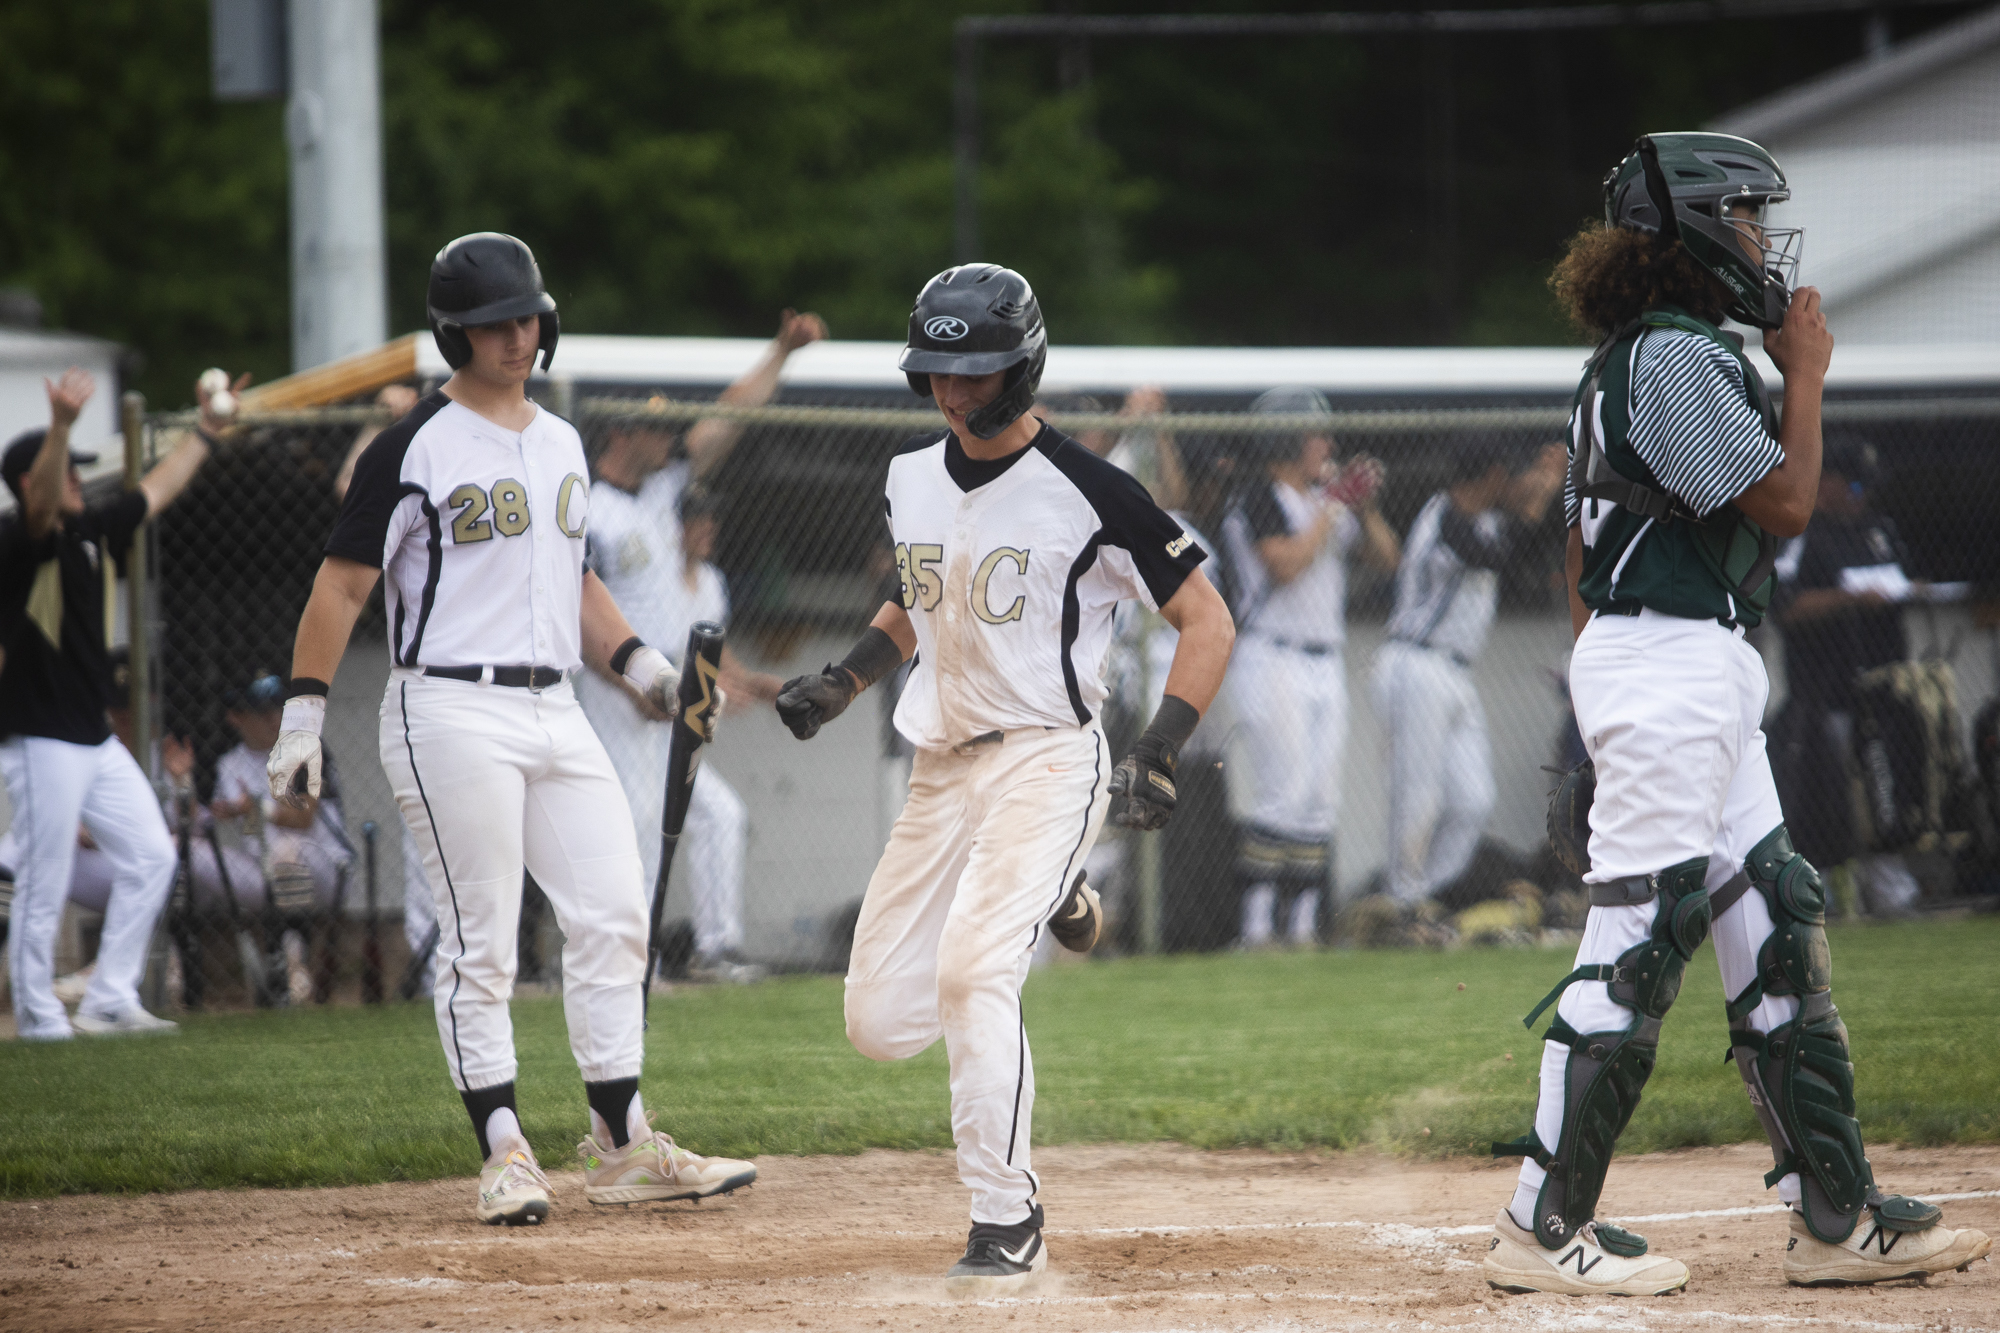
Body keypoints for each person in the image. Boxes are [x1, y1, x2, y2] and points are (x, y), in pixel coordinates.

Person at [1484, 133, 1989, 1295]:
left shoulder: (1642, 355)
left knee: (1769, 917)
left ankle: (1833, 1214)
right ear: (1700, 230)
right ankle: (1535, 1225)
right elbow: (1785, 501)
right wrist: (1804, 373)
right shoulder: (1670, 356)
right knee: (1639, 938)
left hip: (1675, 664)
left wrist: (1602, 683)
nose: (1763, 241)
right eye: (1750, 219)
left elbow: (1577, 544)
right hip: (1670, 664)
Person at [267, 232, 755, 1225]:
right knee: (479, 942)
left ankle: (620, 1141)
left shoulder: (561, 441)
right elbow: (343, 582)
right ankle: (502, 1150)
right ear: (457, 331)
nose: (517, 334)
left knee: (614, 916)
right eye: (496, 320)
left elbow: (572, 582)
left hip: (554, 705)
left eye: (527, 315)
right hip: (448, 706)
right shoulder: (412, 444)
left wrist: (643, 668)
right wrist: (302, 713)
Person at [774, 263, 1235, 1295]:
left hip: (1045, 755)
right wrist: (846, 678)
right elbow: (916, 597)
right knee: (876, 1021)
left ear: (1020, 367)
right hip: (939, 770)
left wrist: (1158, 748)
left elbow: (1206, 619)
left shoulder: (1093, 490)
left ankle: (1005, 1210)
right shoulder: (909, 479)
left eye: (973, 371)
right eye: (938, 370)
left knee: (973, 973)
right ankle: (1061, 890)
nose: (952, 390)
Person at [577, 309, 822, 982]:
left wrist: (781, 351)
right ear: (621, 431)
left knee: (711, 814)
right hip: (612, 694)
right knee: (632, 833)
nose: (670, 438)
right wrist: (634, 683)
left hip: (666, 693)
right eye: (655, 427)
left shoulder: (662, 491)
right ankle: (629, 963)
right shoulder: (587, 505)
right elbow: (573, 612)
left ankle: (710, 949)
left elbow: (728, 418)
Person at [0, 367, 228, 1039]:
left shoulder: (90, 530)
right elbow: (41, 506)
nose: (75, 477)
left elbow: (154, 491)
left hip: (92, 738)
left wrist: (206, 432)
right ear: (27, 482)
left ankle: (107, 996)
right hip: (39, 736)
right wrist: (62, 422)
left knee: (153, 855)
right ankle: (40, 1018)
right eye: (64, 469)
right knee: (44, 880)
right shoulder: (21, 539)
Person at [1219, 388, 1399, 947]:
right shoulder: (1258, 498)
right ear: (1287, 439)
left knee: (1321, 795)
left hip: (1325, 658)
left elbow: (1387, 559)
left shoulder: (1327, 501)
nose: (1327, 445)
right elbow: (1286, 565)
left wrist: (1360, 505)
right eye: (1315, 434)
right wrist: (1331, 507)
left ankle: (1300, 927)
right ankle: (1256, 925)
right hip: (1272, 654)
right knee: (1283, 790)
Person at [1366, 441, 1565, 923]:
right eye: (1511, 477)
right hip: (1416, 663)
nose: (1515, 486)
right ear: (1493, 475)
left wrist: (1545, 491)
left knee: (1474, 802)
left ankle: (1421, 896)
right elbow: (1492, 557)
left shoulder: (1488, 522)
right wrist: (1536, 498)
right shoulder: (1445, 517)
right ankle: (1403, 901)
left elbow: (1531, 552)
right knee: (1420, 795)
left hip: (1456, 672)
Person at [1771, 434, 1922, 916]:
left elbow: (1904, 580)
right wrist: (1850, 599)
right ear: (1828, 482)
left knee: (1886, 789)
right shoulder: (1803, 532)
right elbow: (1784, 604)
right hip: (1826, 693)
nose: (1862, 496)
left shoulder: (1878, 528)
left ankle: (1891, 893)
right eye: (1853, 485)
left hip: (1883, 688)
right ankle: (1822, 896)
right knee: (1827, 795)